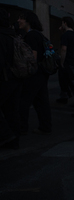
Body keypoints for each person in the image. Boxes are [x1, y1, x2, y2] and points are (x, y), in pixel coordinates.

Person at [18, 11, 52, 135]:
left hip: (34, 74)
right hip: (42, 73)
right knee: (41, 101)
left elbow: (33, 57)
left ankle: (22, 128)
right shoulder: (40, 35)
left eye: (21, 18)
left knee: (24, 101)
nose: (18, 21)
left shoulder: (31, 36)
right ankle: (45, 126)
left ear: (28, 21)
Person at [0, 8, 22, 149]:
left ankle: (7, 136)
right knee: (12, 111)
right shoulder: (12, 35)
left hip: (4, 78)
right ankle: (13, 141)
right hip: (15, 77)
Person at [56, 17, 74, 104]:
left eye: (62, 23)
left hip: (67, 61)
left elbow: (63, 49)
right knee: (69, 79)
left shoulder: (65, 35)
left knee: (67, 80)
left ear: (65, 23)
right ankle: (65, 96)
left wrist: (61, 61)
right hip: (73, 59)